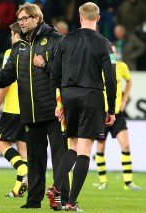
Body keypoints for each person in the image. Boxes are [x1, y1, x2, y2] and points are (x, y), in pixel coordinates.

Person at [0, 2, 70, 209]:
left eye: (25, 19)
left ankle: (64, 199)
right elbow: (7, 76)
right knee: (35, 161)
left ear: (37, 18)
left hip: (54, 111)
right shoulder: (19, 47)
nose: (21, 23)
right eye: (20, 19)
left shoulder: (56, 40)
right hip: (30, 113)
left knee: (60, 158)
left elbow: (66, 72)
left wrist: (44, 64)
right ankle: (33, 200)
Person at [46, 2, 117, 212]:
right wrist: (111, 109)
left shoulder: (66, 40)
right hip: (91, 96)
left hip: (69, 97)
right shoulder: (104, 43)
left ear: (79, 17)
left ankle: (55, 186)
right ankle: (71, 203)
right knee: (85, 150)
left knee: (72, 147)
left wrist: (57, 104)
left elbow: (54, 76)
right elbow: (111, 79)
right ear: (98, 18)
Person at [96, 44, 142, 191]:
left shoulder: (121, 67)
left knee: (126, 145)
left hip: (117, 114)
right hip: (101, 114)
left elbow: (129, 81)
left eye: (114, 53)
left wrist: (124, 100)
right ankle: (103, 182)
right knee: (101, 147)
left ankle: (128, 182)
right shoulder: (97, 67)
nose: (112, 56)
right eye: (110, 52)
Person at [0, 21, 27, 198]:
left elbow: (5, 83)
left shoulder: (10, 53)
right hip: (30, 109)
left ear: (17, 35)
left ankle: (22, 168)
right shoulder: (33, 51)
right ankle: (18, 189)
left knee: (1, 144)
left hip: (13, 108)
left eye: (12, 34)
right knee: (23, 148)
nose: (10, 38)